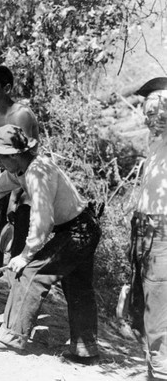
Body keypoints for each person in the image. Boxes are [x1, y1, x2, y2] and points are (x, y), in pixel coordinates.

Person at [0, 125, 101, 363]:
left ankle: (11, 336)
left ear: (14, 155)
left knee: (31, 273)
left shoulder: (38, 173)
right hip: (83, 227)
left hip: (78, 231)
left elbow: (42, 220)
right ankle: (85, 348)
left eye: (1, 157)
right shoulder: (21, 170)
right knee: (78, 287)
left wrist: (26, 255)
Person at [0, 65, 39, 270]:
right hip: (7, 178)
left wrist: (15, 198)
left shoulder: (21, 114)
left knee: (18, 239)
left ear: (7, 88)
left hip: (28, 184)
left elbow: (24, 158)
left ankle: (15, 290)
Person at [128, 77, 167, 380]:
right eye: (147, 110)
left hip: (161, 231)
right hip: (145, 228)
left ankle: (161, 370)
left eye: (155, 109)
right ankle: (154, 368)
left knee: (158, 302)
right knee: (146, 300)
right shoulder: (155, 142)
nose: (149, 117)